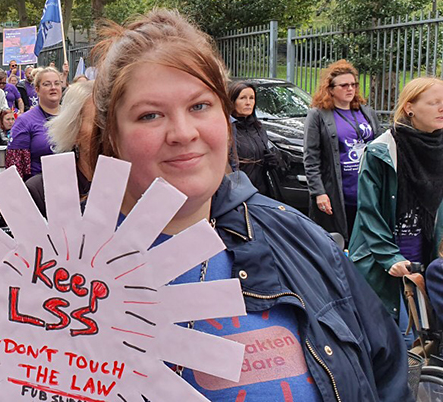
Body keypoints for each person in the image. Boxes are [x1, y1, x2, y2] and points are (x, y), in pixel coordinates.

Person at [90, 9, 410, 402]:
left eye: (199, 106)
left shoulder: (303, 242)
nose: (183, 133)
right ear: (113, 137)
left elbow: (387, 376)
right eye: (150, 115)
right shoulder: (55, 265)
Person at [349, 77, 443, 322]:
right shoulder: (381, 151)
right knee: (397, 338)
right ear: (409, 108)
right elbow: (369, 212)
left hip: (431, 259)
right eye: (434, 102)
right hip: (385, 260)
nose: (441, 108)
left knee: (427, 338)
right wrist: (389, 257)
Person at [304, 60, 381, 243]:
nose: (350, 89)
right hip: (338, 192)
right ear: (330, 89)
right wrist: (319, 192)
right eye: (344, 85)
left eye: (353, 84)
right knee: (339, 242)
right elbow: (311, 157)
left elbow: (379, 147)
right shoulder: (318, 115)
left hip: (367, 189)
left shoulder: (366, 112)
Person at [26, 81, 94, 217]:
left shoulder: (136, 185)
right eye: (99, 122)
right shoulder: (41, 190)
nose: (112, 131)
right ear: (74, 131)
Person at [6, 67, 61, 180]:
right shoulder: (25, 121)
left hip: (69, 184)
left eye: (57, 83)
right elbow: (15, 167)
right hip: (38, 187)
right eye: (47, 84)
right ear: (37, 89)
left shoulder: (72, 117)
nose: (53, 87)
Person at [228, 82, 279, 197]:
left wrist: (271, 161)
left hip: (260, 192)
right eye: (242, 98)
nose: (248, 103)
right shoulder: (226, 129)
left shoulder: (258, 127)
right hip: (237, 194)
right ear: (232, 101)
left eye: (252, 98)